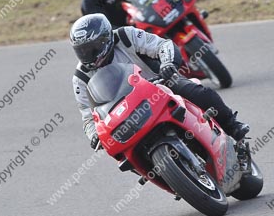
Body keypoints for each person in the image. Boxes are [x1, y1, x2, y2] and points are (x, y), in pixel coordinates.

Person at [69, 13, 250, 157]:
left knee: (191, 89)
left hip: (158, 85)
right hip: (124, 113)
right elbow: (87, 116)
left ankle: (232, 125)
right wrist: (93, 135)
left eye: (92, 48)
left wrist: (167, 64)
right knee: (121, 151)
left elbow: (162, 46)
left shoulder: (126, 36)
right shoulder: (80, 77)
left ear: (105, 38)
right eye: (82, 51)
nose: (88, 55)